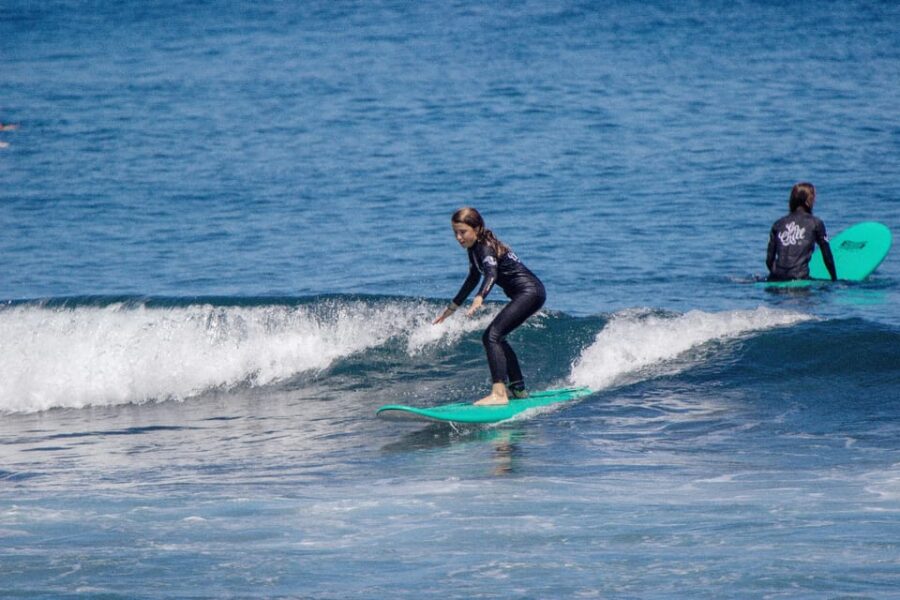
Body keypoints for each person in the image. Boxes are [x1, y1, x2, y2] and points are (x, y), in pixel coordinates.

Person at [433, 207, 546, 405]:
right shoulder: (474, 249)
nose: (458, 237)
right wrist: (452, 308)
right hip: (531, 293)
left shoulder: (484, 247)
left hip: (529, 292)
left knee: (491, 336)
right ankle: (518, 389)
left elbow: (491, 274)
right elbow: (472, 279)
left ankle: (499, 393)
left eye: (463, 232)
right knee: (497, 337)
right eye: (455, 233)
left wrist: (480, 297)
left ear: (477, 228)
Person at [766, 182, 837, 282]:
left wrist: (777, 275)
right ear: (809, 201)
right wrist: (834, 279)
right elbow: (827, 257)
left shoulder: (778, 224)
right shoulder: (816, 223)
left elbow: (769, 260)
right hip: (800, 279)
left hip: (775, 278)